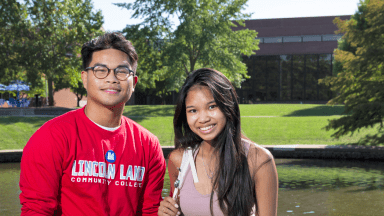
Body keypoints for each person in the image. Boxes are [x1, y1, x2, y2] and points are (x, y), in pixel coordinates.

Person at [19, 32, 166, 216]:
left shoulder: (149, 146)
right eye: (100, 70)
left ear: (133, 82)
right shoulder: (50, 138)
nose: (111, 78)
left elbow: (150, 211)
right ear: (85, 78)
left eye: (121, 71)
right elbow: (37, 210)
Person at [159, 68, 278, 216]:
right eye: (193, 111)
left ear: (228, 106)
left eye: (212, 106)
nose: (203, 119)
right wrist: (167, 212)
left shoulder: (259, 160)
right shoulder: (178, 160)